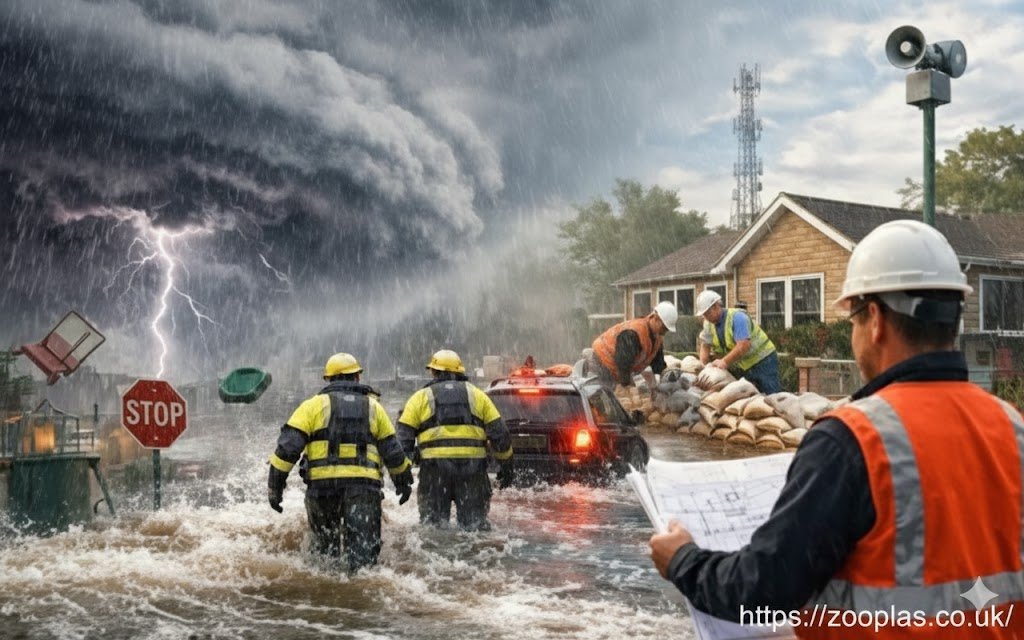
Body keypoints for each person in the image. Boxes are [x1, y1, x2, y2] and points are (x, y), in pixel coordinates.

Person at [650, 220, 1024, 636]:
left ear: (876, 320)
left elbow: (764, 587)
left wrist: (683, 560)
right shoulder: (1012, 426)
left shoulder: (852, 440)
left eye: (853, 320)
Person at [267, 352, 413, 571]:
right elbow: (393, 452)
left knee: (324, 559)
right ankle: (359, 599)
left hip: (323, 492)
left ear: (328, 379)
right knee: (365, 563)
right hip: (363, 490)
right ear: (356, 378)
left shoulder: (312, 406)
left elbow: (287, 449)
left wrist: (275, 487)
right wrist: (403, 482)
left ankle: (327, 599)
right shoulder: (374, 408)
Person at [397, 349, 513, 531]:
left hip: (434, 475)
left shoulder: (419, 398)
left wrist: (402, 478)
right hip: (472, 474)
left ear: (434, 372)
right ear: (460, 372)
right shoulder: (479, 396)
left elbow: (403, 441)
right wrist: (506, 468)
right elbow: (500, 436)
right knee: (474, 530)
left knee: (432, 531)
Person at [695, 289, 781, 393]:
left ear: (716, 306)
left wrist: (724, 361)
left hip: (765, 360)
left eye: (708, 313)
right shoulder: (708, 324)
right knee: (750, 395)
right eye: (703, 315)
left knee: (770, 394)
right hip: (745, 364)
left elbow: (744, 345)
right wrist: (705, 367)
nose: (706, 317)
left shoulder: (738, 318)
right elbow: (705, 345)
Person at [588, 300, 677, 391]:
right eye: (664, 327)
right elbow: (623, 364)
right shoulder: (633, 333)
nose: (664, 332)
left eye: (667, 329)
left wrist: (665, 381)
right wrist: (628, 387)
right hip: (602, 360)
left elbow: (658, 366)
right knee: (606, 394)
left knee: (623, 393)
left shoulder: (657, 338)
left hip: (619, 366)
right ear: (655, 318)